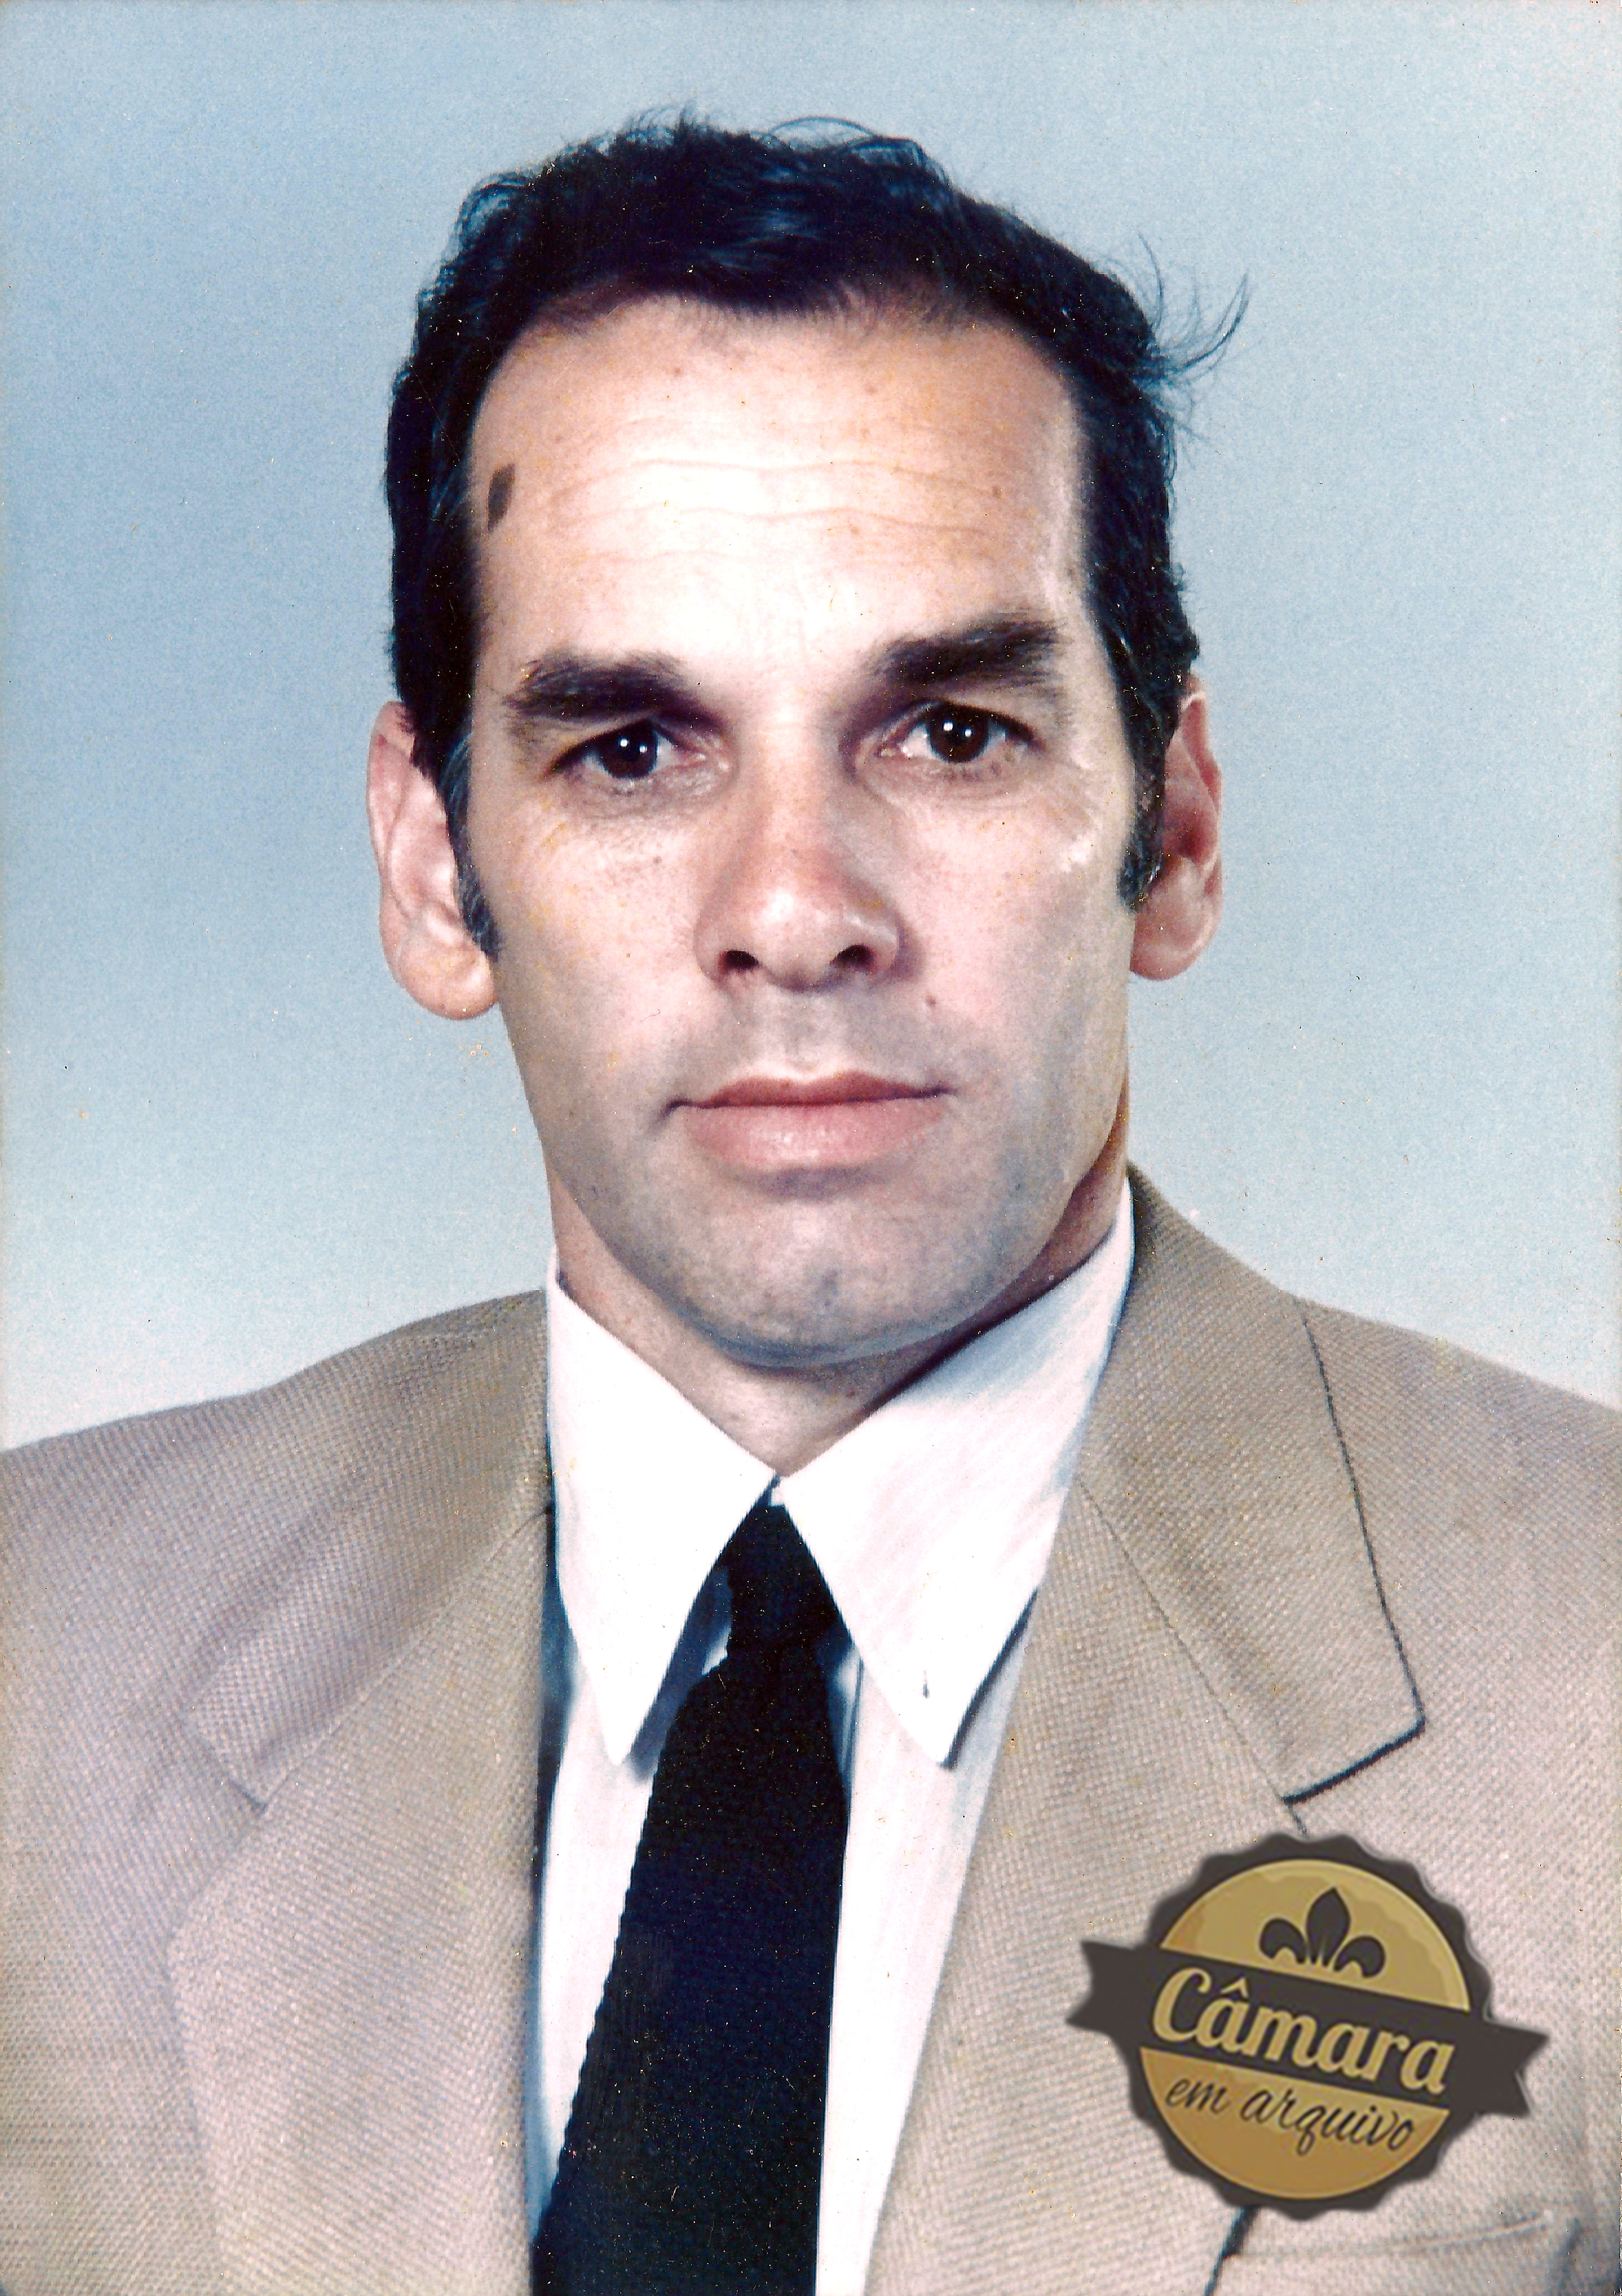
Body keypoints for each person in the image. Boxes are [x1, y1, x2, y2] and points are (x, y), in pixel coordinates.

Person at [1, 118, 1615, 2296]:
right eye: (632, 751)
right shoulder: (36, 1666)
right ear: (434, 865)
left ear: (1176, 826)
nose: (794, 909)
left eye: (947, 732)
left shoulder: (1591, 1671)